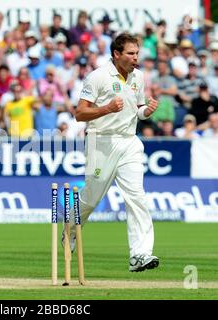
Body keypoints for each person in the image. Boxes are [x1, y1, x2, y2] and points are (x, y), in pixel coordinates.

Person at [68, 33, 160, 272]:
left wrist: (146, 112)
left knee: (136, 197)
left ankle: (140, 254)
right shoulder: (97, 77)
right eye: (130, 53)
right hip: (101, 142)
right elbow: (79, 114)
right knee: (91, 199)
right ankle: (70, 230)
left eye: (137, 53)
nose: (135, 58)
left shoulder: (138, 76)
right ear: (116, 54)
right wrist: (106, 108)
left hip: (129, 142)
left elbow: (136, 111)